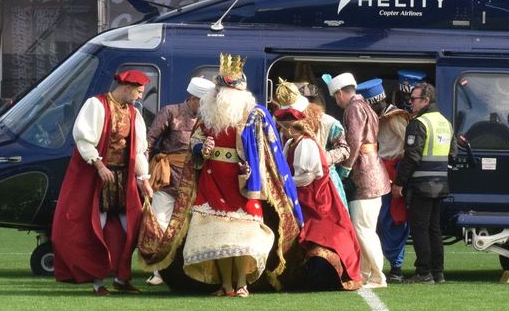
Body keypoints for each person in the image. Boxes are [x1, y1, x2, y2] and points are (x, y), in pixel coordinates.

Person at [180, 54, 303, 297]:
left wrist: (256, 171)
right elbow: (195, 140)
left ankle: (242, 283)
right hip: (212, 181)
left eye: (220, 90)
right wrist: (200, 149)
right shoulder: (207, 115)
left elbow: (269, 152)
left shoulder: (255, 115)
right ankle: (226, 285)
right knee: (220, 241)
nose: (216, 94)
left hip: (243, 184)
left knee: (243, 239)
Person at [51, 68, 153, 295]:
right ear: (127, 88)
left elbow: (138, 150)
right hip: (98, 178)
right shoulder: (96, 105)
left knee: (131, 229)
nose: (139, 96)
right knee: (97, 227)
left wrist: (143, 179)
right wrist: (99, 165)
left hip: (123, 179)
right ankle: (98, 282)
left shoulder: (134, 114)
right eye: (138, 91)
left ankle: (121, 277)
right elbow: (84, 140)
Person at [273, 84, 362, 290]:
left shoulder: (326, 122)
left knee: (326, 227)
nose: (287, 127)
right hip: (295, 188)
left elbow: (344, 148)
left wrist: (321, 160)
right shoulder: (286, 134)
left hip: (320, 185)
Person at [143, 75, 214, 285]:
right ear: (192, 99)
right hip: (166, 177)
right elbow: (149, 142)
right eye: (202, 103)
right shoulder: (170, 111)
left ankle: (182, 269)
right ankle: (157, 271)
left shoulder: (207, 120)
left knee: (188, 225)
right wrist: (143, 174)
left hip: (193, 180)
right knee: (160, 222)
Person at [330, 71, 390, 288]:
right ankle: (366, 274)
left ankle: (377, 276)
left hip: (364, 175)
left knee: (363, 228)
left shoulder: (353, 108)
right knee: (366, 227)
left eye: (336, 97)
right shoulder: (365, 105)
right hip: (375, 172)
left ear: (340, 93)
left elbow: (353, 141)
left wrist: (345, 168)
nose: (336, 102)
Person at [394, 81, 453, 284]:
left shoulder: (419, 123)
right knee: (434, 228)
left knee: (420, 228)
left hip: (421, 184)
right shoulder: (445, 122)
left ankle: (423, 272)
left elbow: (412, 157)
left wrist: (399, 183)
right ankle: (438, 272)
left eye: (413, 99)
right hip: (441, 184)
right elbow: (453, 154)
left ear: (426, 100)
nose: (410, 103)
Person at [369, 78, 411, 281]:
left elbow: (408, 145)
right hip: (383, 169)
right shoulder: (383, 116)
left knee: (394, 218)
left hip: (393, 170)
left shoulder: (394, 118)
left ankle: (397, 265)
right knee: (383, 218)